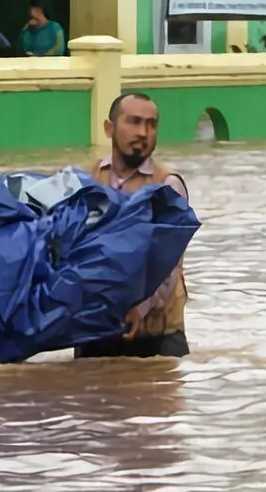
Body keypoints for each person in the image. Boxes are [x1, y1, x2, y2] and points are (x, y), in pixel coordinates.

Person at [76, 93, 193, 359]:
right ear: (109, 128)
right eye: (134, 122)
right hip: (94, 331)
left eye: (151, 125)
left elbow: (168, 265)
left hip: (157, 336)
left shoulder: (168, 186)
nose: (143, 132)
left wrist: (138, 309)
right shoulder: (84, 180)